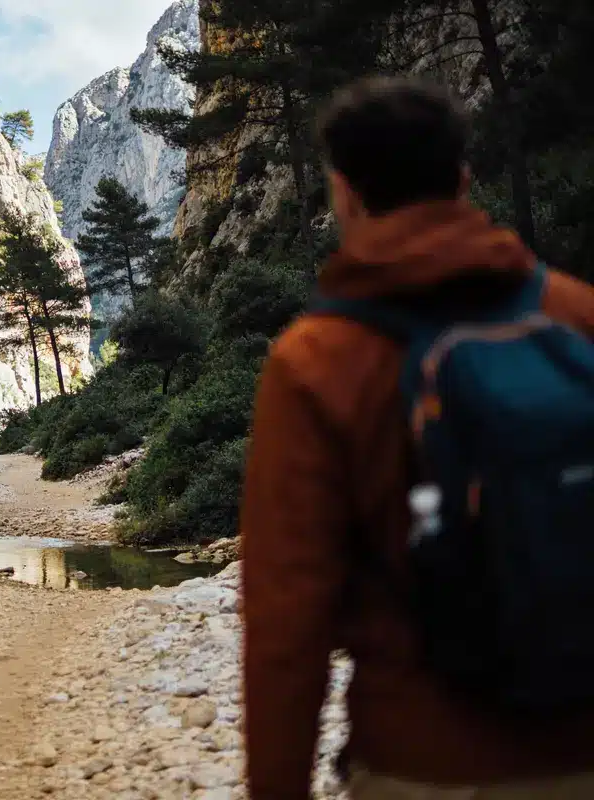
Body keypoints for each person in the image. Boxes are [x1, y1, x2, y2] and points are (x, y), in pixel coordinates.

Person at [241, 76, 594, 800]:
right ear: (463, 179)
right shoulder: (575, 313)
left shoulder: (315, 359)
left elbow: (287, 620)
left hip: (422, 759)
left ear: (343, 193)